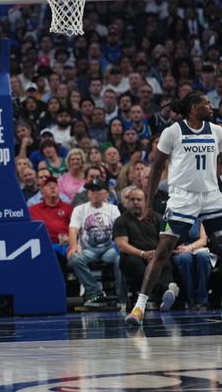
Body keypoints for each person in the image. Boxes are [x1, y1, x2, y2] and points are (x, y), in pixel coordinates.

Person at [125, 92, 221, 325]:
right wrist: (149, 205)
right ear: (193, 107)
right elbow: (157, 169)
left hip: (210, 195)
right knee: (163, 251)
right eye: (206, 103)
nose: (211, 106)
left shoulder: (217, 131)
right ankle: (139, 307)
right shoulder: (173, 132)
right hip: (181, 198)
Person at [66, 179, 126, 306]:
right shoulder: (79, 209)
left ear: (105, 192)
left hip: (110, 248)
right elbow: (73, 230)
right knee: (74, 258)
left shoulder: (113, 209)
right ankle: (95, 293)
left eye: (98, 190)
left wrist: (119, 246)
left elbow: (119, 231)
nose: (95, 193)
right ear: (88, 193)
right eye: (92, 190)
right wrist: (73, 246)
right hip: (88, 250)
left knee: (121, 258)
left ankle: (122, 298)